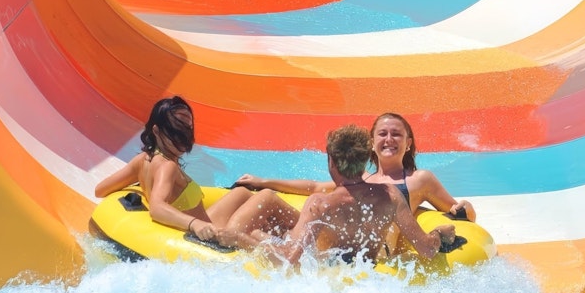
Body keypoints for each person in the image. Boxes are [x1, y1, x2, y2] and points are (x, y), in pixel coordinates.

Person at [94, 96, 298, 248]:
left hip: (211, 222)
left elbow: (100, 190)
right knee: (266, 197)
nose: (183, 136)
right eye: (176, 129)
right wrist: (195, 224)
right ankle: (310, 232)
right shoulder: (167, 166)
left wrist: (139, 190)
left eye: (187, 127)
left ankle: (285, 236)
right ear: (156, 131)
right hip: (217, 235)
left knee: (242, 193)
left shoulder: (142, 161)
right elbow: (157, 207)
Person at [264, 125, 456, 267]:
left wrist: (257, 242)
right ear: (365, 161)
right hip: (368, 274)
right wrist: (438, 234)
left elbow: (291, 259)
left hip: (330, 275)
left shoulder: (320, 203)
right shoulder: (390, 195)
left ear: (332, 162)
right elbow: (427, 249)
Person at [235, 112, 476, 222]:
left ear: (408, 143)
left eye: (396, 134)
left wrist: (465, 206)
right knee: (259, 198)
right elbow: (314, 187)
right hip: (344, 243)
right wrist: (262, 181)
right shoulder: (362, 178)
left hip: (375, 253)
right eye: (382, 134)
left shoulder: (419, 179)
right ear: (371, 143)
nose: (389, 139)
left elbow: (459, 210)